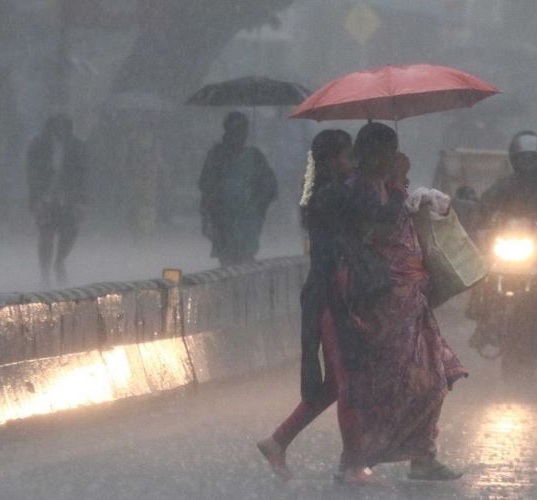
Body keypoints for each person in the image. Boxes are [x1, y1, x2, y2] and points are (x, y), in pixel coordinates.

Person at [339, 122, 466, 483]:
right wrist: (398, 184)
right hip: (384, 303)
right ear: (370, 154)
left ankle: (423, 456)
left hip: (413, 300)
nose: (393, 156)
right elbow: (380, 226)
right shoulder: (359, 188)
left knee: (434, 376)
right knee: (393, 383)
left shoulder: (386, 185)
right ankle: (358, 457)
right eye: (386, 150)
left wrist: (408, 191)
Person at [257, 130, 356, 479]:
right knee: (346, 383)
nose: (353, 162)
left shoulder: (332, 194)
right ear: (332, 161)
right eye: (349, 156)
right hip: (330, 296)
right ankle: (353, 462)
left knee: (334, 384)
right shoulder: (332, 198)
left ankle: (278, 441)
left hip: (333, 294)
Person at [469, 131, 537, 342]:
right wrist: (477, 214)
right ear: (514, 159)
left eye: (531, 157)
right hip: (506, 246)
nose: (527, 162)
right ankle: (480, 318)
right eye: (522, 158)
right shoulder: (505, 185)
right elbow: (485, 205)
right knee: (483, 272)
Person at [199, 112, 278, 266]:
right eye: (234, 130)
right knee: (229, 260)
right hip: (224, 219)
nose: (238, 135)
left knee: (243, 259)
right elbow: (205, 184)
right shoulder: (217, 155)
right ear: (226, 131)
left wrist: (256, 202)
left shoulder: (255, 157)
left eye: (241, 130)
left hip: (247, 221)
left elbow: (270, 187)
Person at [27, 114, 87, 287]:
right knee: (46, 234)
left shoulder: (77, 146)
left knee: (69, 232)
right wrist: (36, 198)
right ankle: (45, 272)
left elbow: (83, 175)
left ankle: (59, 262)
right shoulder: (38, 146)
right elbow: (32, 174)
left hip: (69, 197)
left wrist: (82, 200)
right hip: (45, 196)